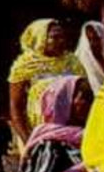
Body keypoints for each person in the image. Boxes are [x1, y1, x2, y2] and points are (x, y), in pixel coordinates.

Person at [7, 19, 84, 147]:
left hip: (72, 127)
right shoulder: (24, 66)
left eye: (62, 37)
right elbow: (16, 107)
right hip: (39, 131)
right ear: (40, 39)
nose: (61, 41)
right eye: (55, 37)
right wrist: (28, 141)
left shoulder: (73, 62)